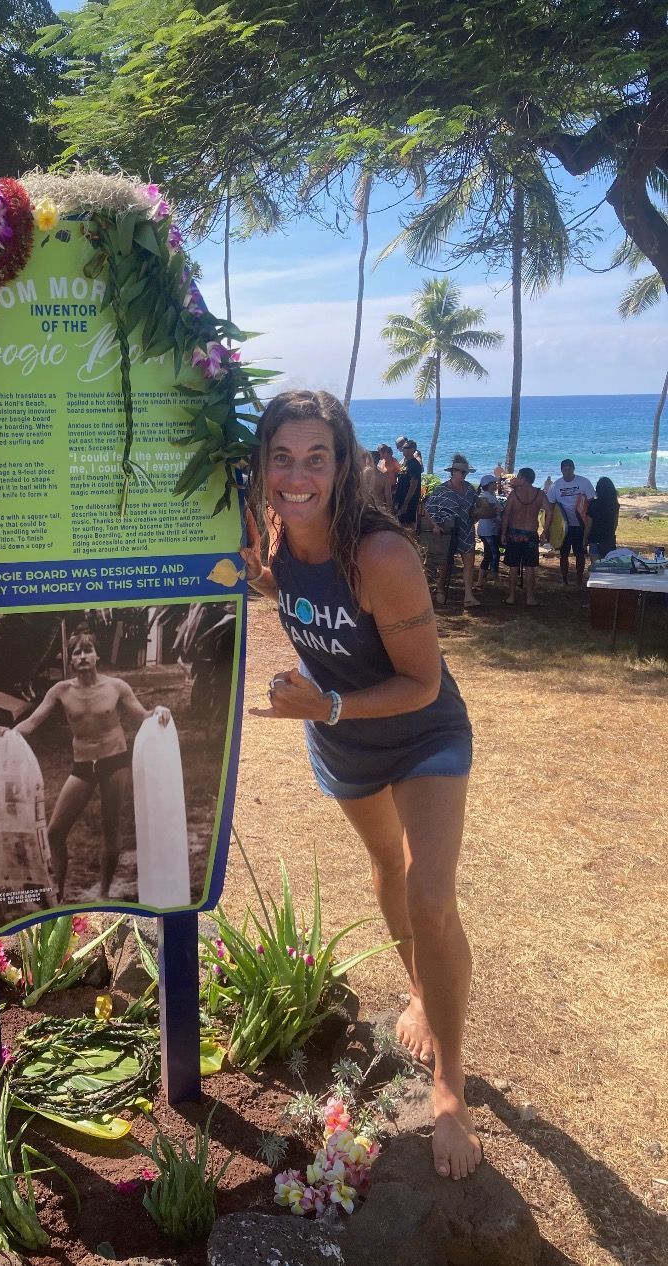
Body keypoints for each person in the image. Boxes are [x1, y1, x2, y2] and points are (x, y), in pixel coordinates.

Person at [240, 388, 481, 1181]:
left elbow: (421, 682)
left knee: (432, 897)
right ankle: (418, 992)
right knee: (388, 872)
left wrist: (331, 701)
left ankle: (450, 1086)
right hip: (342, 741)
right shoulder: (275, 541)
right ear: (264, 464)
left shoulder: (382, 555)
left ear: (342, 465)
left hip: (421, 733)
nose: (297, 473)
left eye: (316, 457)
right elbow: (290, 594)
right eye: (283, 457)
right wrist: (262, 584)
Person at [0, 629, 170, 902]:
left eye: (87, 650)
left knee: (110, 828)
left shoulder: (116, 686)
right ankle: (60, 891)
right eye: (77, 652)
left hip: (114, 761)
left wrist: (159, 710)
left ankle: (103, 892)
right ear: (71, 660)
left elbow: (143, 715)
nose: (82, 656)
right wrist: (8, 733)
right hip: (82, 766)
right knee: (55, 831)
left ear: (96, 655)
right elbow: (32, 722)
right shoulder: (61, 691)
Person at [423, 455, 481, 608]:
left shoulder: (469, 489)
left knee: (469, 562)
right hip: (447, 531)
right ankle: (440, 590)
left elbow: (475, 508)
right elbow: (427, 509)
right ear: (453, 472)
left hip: (466, 530)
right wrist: (435, 525)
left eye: (465, 472)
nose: (463, 475)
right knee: (444, 563)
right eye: (461, 472)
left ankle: (468, 595)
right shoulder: (441, 490)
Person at [500, 467, 550, 607]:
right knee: (529, 567)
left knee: (513, 566)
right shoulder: (539, 494)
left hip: (515, 533)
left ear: (523, 478)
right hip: (531, 534)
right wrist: (545, 531)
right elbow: (549, 512)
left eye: (518, 477)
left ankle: (511, 597)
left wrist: (503, 533)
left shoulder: (515, 494)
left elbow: (507, 514)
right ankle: (530, 598)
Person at [544, 459, 595, 584]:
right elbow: (550, 508)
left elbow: (592, 503)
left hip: (580, 525)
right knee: (564, 554)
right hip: (563, 526)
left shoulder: (584, 482)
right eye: (564, 470)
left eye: (569, 470)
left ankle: (579, 579)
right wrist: (548, 529)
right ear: (561, 470)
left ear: (573, 469)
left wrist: (589, 524)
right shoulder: (555, 486)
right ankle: (565, 579)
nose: (567, 473)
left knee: (580, 554)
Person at [581, 476, 619, 561]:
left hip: (595, 540)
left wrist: (584, 540)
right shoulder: (615, 505)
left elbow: (588, 526)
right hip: (609, 540)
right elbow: (615, 523)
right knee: (608, 568)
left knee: (596, 568)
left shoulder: (594, 504)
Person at [474, 474, 501, 586]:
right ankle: (493, 576)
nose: (496, 484)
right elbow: (491, 512)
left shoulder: (491, 495)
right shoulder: (486, 497)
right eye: (494, 483)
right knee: (493, 554)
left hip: (491, 529)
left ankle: (482, 579)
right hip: (487, 530)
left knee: (489, 554)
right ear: (488, 485)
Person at [392, 439, 424, 527]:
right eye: (403, 447)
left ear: (412, 449)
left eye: (406, 447)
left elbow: (413, 485)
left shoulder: (414, 464)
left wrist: (406, 503)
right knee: (399, 523)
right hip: (400, 498)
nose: (403, 449)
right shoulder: (405, 463)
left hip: (409, 500)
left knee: (408, 525)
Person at [376, 443, 401, 510]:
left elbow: (400, 473)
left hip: (392, 488)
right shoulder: (381, 462)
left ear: (385, 453)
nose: (378, 455)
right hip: (383, 489)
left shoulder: (393, 461)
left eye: (379, 453)